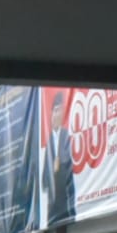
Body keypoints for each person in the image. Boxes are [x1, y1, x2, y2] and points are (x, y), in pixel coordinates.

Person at [44, 92, 76, 223]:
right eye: (54, 111)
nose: (55, 115)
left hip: (67, 207)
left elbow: (71, 166)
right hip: (52, 211)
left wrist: (59, 167)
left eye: (59, 111)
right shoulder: (49, 141)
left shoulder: (66, 135)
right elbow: (44, 180)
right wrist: (53, 169)